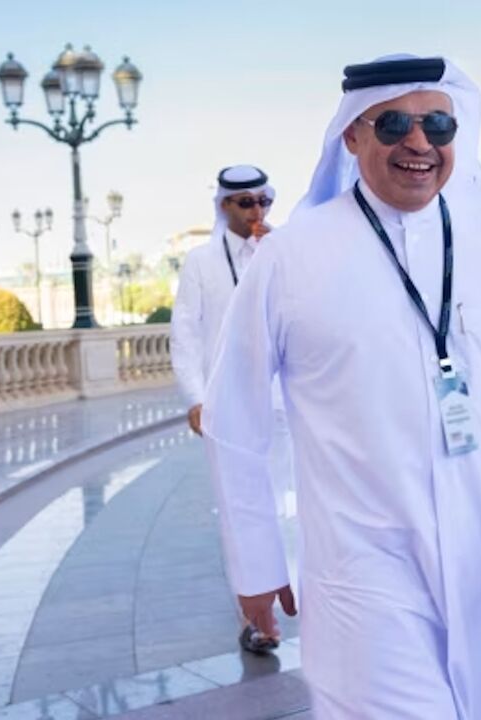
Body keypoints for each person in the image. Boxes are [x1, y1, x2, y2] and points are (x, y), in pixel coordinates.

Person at [200, 55, 481, 719]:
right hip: (364, 576)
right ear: (351, 135)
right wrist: (256, 562)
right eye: (394, 125)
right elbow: (234, 419)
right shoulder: (290, 260)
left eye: (438, 123)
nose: (419, 143)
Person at [169, 164, 291, 655]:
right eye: (246, 203)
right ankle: (256, 617)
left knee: (286, 505)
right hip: (225, 407)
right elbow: (185, 333)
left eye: (264, 201)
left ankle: (289, 592)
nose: (257, 211)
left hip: (285, 403)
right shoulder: (200, 261)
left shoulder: (284, 253)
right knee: (240, 510)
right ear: (224, 206)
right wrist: (194, 398)